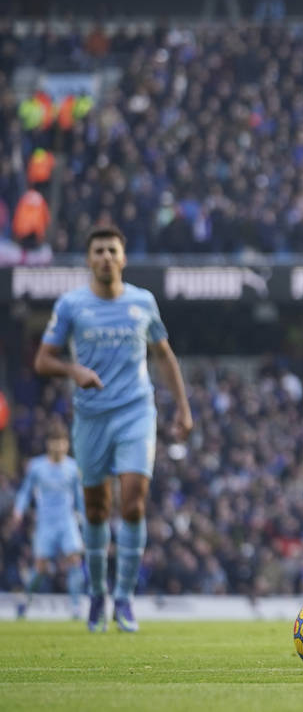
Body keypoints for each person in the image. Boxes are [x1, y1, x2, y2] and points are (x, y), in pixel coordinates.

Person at [34, 225, 194, 633]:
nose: (106, 257)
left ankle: (124, 598)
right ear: (89, 259)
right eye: (99, 251)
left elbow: (164, 355)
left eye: (112, 250)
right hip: (90, 417)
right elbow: (43, 360)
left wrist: (182, 408)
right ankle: (97, 593)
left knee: (134, 502)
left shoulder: (143, 302)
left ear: (123, 258)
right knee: (96, 508)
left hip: (136, 412)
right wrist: (74, 371)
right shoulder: (72, 305)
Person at [11, 423, 85, 619]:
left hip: (67, 521)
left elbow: (79, 499)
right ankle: (26, 601)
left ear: (67, 444)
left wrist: (86, 519)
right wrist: (19, 510)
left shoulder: (72, 467)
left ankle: (76, 607)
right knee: (41, 567)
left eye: (62, 442)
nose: (59, 446)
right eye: (55, 442)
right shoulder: (37, 466)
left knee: (74, 560)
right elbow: (26, 491)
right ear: (48, 444)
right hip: (45, 523)